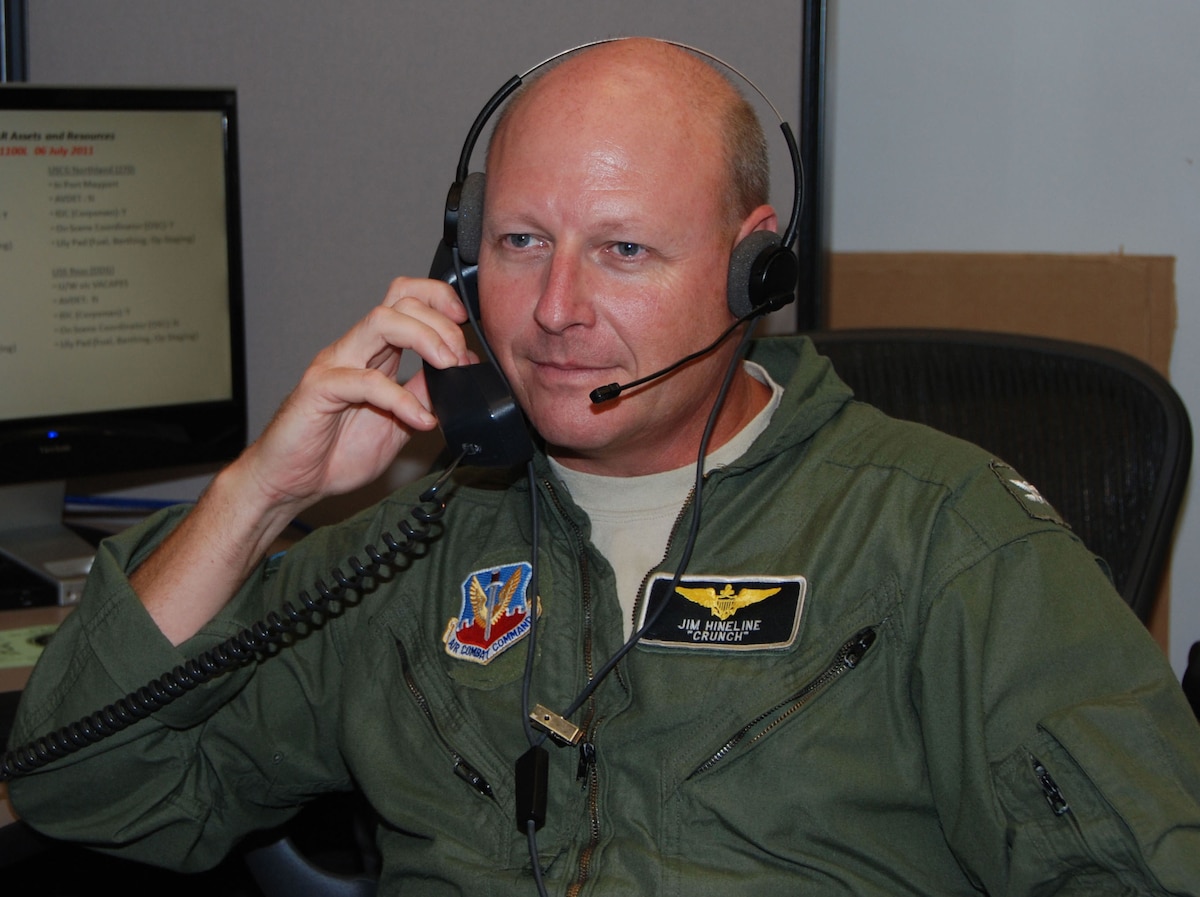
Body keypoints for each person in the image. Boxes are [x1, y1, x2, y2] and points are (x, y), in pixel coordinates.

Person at [7, 37, 1200, 896]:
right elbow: (88, 784)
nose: (556, 309)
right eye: (522, 243)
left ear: (754, 273)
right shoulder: (422, 550)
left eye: (623, 249)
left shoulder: (941, 538)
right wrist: (258, 495)